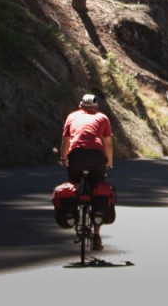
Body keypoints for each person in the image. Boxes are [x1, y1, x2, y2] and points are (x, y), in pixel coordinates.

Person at [61, 94, 113, 249]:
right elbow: (108, 143)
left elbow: (66, 141)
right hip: (96, 156)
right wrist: (109, 161)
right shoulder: (102, 117)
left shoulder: (72, 116)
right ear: (95, 107)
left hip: (76, 155)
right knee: (97, 191)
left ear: (80, 106)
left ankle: (72, 214)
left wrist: (64, 159)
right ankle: (96, 236)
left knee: (74, 186)